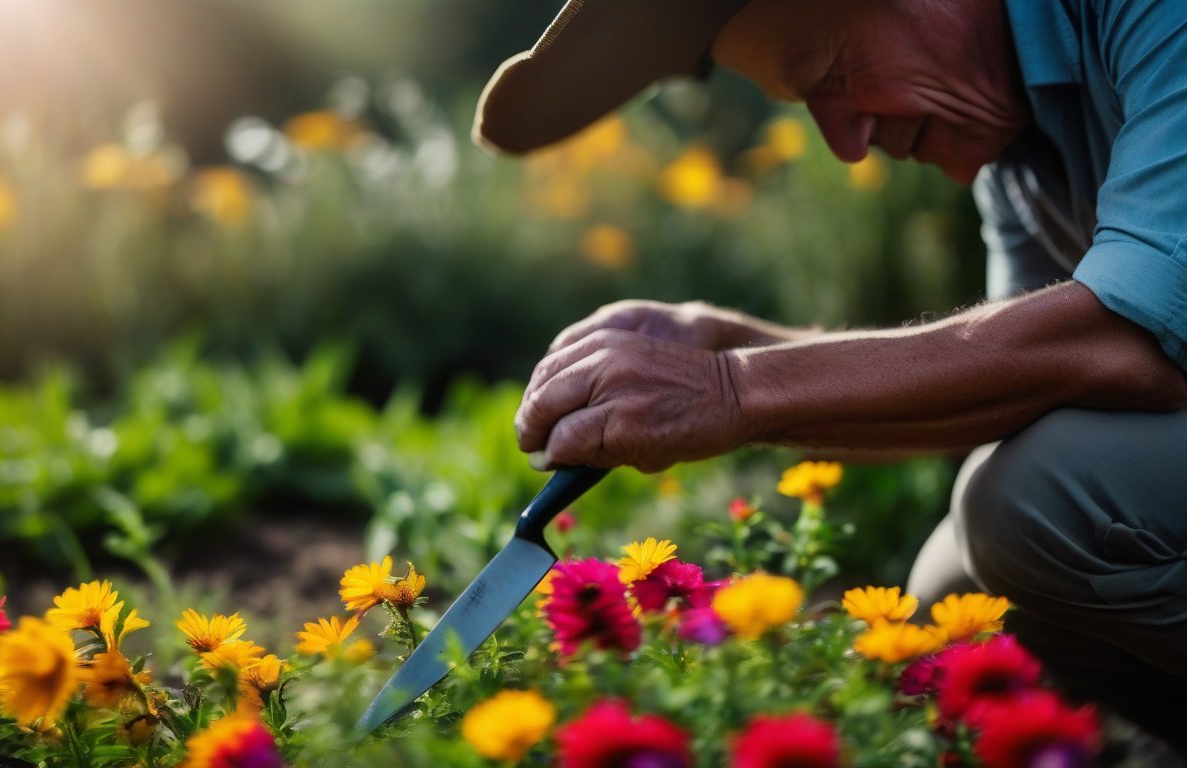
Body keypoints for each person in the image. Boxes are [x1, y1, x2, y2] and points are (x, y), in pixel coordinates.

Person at [473, 0, 1187, 752]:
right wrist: (735, 343)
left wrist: (733, 388)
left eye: (833, 74)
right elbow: (1021, 385)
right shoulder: (1014, 137)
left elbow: (1122, 340)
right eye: (811, 105)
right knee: (954, 601)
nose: (847, 144)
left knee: (1034, 505)